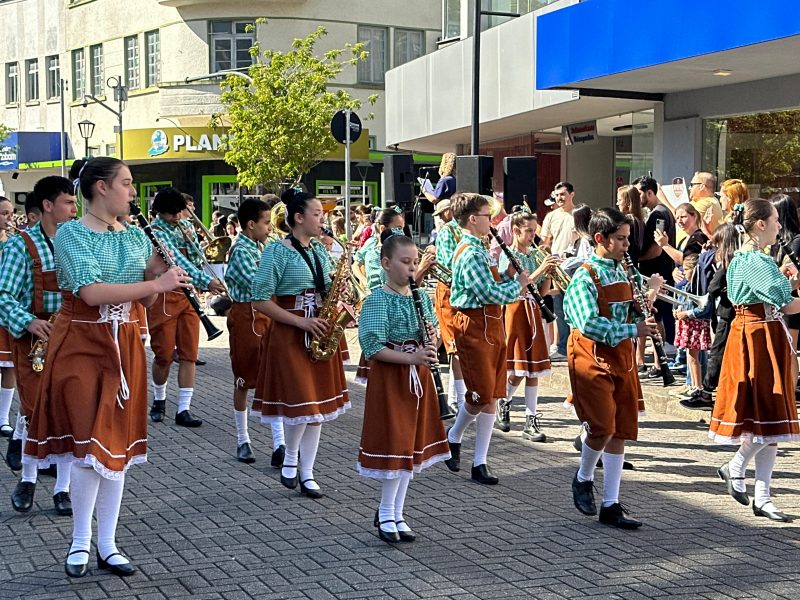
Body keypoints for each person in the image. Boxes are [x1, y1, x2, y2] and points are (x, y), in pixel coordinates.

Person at [23, 157, 191, 577]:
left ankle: (108, 544)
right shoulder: (71, 235)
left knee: (115, 446)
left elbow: (145, 301)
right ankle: (80, 542)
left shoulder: (134, 236)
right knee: (86, 445)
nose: (132, 193)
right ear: (100, 187)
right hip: (81, 343)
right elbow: (93, 292)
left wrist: (155, 274)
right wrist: (156, 282)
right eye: (127, 183)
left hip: (125, 345)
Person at [565, 207, 661, 529]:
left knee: (620, 430)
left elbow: (626, 317)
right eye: (620, 239)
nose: (626, 246)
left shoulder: (623, 272)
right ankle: (583, 477)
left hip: (620, 356)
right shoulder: (584, 275)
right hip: (591, 357)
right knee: (602, 427)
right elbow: (589, 325)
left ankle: (611, 504)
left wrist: (641, 314)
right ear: (600, 239)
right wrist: (635, 330)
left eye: (627, 239)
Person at [251, 189, 351, 499]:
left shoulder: (320, 250)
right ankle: (291, 460)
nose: (323, 219)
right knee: (301, 404)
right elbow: (259, 300)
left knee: (317, 408)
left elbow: (327, 287)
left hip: (319, 329)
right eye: (318, 214)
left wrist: (340, 292)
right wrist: (300, 322)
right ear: (298, 218)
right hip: (292, 331)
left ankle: (307, 472)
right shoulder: (276, 252)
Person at [711, 199, 800, 523]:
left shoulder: (751, 259)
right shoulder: (754, 260)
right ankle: (736, 469)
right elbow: (788, 305)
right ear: (760, 224)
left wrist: (788, 284)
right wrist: (789, 289)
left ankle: (762, 495)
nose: (779, 225)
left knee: (771, 416)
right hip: (757, 336)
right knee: (769, 409)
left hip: (761, 333)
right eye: (775, 220)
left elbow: (779, 297)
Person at [357, 234, 450, 543]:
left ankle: (398, 513)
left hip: (417, 375)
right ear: (386, 263)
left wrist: (431, 341)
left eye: (414, 263)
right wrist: (411, 356)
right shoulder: (377, 299)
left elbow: (434, 334)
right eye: (405, 262)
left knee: (410, 445)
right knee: (395, 444)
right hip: (392, 378)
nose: (412, 269)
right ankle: (385, 513)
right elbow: (372, 347)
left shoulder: (421, 297)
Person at [0, 177, 77, 515]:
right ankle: (28, 478)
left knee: (71, 412)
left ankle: (62, 488)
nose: (75, 210)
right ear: (47, 206)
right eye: (68, 203)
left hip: (73, 336)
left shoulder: (77, 242)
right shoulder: (20, 245)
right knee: (35, 410)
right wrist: (27, 321)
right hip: (34, 338)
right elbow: (2, 296)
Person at [444, 193, 530, 485]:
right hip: (474, 325)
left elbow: (493, 286)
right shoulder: (469, 252)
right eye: (485, 215)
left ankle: (479, 461)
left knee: (493, 393)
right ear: (472, 219)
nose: (491, 220)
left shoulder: (480, 249)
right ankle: (453, 435)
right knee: (480, 393)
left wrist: (507, 275)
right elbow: (487, 294)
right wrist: (517, 286)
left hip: (491, 325)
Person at [146, 188, 226, 427]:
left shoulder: (186, 226)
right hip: (164, 295)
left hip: (188, 294)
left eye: (179, 213)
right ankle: (159, 399)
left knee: (190, 353)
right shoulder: (154, 231)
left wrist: (195, 241)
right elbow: (175, 262)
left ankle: (184, 408)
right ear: (162, 213)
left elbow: (194, 259)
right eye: (173, 215)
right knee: (164, 354)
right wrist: (205, 281)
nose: (178, 218)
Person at [224, 198, 285, 467]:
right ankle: (242, 439)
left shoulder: (262, 246)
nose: (270, 228)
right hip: (247, 315)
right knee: (245, 379)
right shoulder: (239, 250)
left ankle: (280, 443)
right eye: (266, 222)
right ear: (251, 224)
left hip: (266, 314)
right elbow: (260, 283)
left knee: (273, 378)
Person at [495, 210, 556, 441]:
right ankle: (505, 400)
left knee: (535, 369)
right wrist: (542, 268)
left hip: (534, 310)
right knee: (520, 368)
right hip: (516, 312)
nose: (533, 235)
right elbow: (516, 288)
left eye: (534, 230)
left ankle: (531, 420)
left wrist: (548, 272)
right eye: (528, 231)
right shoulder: (508, 255)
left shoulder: (534, 254)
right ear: (516, 231)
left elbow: (541, 292)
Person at [680, 224, 738, 410]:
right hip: (731, 314)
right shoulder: (736, 261)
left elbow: (712, 288)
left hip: (728, 314)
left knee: (717, 354)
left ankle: (706, 394)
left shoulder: (728, 263)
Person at [636, 176, 676, 378]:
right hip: (653, 271)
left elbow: (656, 249)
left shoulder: (659, 215)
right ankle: (650, 362)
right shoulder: (656, 213)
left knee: (655, 316)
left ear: (650, 193)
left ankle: (661, 364)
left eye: (640, 193)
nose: (638, 197)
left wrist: (636, 257)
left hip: (657, 271)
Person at [434, 194, 466, 414]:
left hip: (462, 292)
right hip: (450, 292)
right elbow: (448, 266)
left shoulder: (466, 231)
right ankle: (457, 398)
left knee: (460, 345)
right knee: (455, 345)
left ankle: (456, 396)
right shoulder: (448, 231)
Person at [540, 182, 576, 362]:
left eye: (563, 194)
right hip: (557, 267)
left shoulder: (579, 215)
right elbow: (546, 241)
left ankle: (573, 345)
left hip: (575, 266)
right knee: (559, 308)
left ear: (572, 195)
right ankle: (562, 346)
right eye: (557, 195)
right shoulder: (551, 216)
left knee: (574, 308)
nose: (559, 198)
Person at [673, 254, 711, 399]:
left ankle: (698, 386)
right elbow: (681, 302)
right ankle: (693, 385)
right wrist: (677, 311)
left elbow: (704, 309)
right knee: (691, 358)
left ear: (695, 270)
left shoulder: (699, 288)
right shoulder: (687, 286)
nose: (683, 273)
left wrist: (686, 313)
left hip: (695, 325)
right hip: (688, 325)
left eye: (687, 269)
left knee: (694, 358)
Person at [769, 193, 800, 364]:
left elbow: (789, 269)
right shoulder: (774, 242)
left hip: (791, 299)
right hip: (778, 300)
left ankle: (789, 389)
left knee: (789, 351)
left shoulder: (795, 241)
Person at [0, 196, 17, 438]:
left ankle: (3, 417)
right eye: (4, 213)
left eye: (10, 213)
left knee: (9, 365)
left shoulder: (14, 243)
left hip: (8, 312)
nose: (9, 218)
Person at [654, 202, 708, 267]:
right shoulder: (683, 240)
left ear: (695, 216)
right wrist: (675, 271)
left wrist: (665, 245)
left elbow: (686, 261)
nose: (679, 221)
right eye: (677, 218)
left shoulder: (699, 236)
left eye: (683, 217)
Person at [687, 171, 724, 237]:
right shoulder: (699, 201)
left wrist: (662, 198)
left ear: (702, 186)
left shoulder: (708, 203)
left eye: (692, 185)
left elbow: (680, 217)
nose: (689, 188)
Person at [616, 185, 644, 266]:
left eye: (619, 200)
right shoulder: (640, 221)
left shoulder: (628, 221)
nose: (617, 203)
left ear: (628, 202)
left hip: (626, 265)